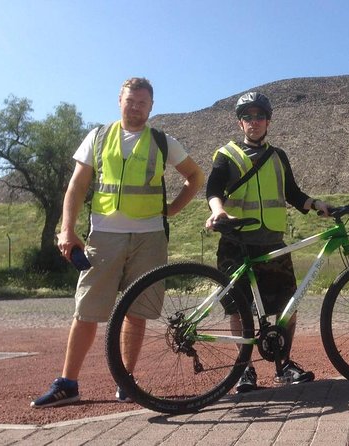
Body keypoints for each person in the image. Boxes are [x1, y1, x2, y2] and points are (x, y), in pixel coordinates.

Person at [31, 77, 204, 408]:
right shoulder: (98, 137)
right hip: (104, 236)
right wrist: (67, 230)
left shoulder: (163, 141)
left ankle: (126, 381)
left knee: (136, 311)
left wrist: (172, 209)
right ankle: (68, 383)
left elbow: (195, 177)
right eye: (130, 100)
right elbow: (77, 187)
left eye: (142, 102)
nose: (135, 107)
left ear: (151, 107)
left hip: (149, 237)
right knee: (86, 310)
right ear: (119, 101)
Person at [205, 92, 330, 393]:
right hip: (236, 242)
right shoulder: (226, 154)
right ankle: (244, 371)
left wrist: (315, 204)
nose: (254, 121)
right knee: (239, 310)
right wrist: (217, 210)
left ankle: (283, 366)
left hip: (272, 242)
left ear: (268, 121)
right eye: (248, 116)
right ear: (240, 122)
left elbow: (292, 193)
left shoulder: (278, 156)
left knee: (289, 306)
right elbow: (212, 189)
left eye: (259, 116)